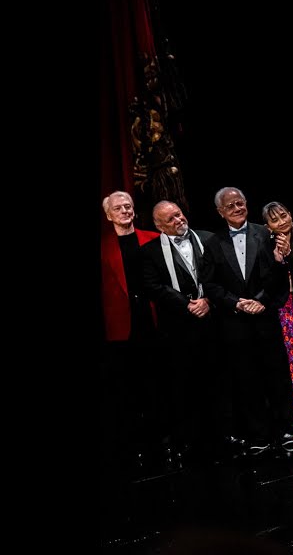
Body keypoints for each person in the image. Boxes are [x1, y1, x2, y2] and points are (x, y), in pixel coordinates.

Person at [202, 187, 292, 454]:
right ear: (220, 212)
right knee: (246, 378)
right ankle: (259, 435)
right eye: (231, 206)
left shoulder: (265, 234)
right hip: (235, 322)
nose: (238, 208)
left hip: (264, 316)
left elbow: (276, 276)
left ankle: (286, 430)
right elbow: (209, 283)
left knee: (276, 375)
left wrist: (260, 300)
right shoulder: (213, 243)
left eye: (240, 203)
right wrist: (237, 302)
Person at [137, 200, 220, 457]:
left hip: (213, 319)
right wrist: (188, 305)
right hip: (178, 327)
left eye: (179, 214)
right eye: (171, 219)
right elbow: (153, 287)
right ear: (159, 226)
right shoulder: (150, 251)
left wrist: (208, 301)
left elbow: (221, 275)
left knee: (218, 378)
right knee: (184, 382)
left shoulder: (208, 239)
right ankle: (189, 439)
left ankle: (222, 434)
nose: (178, 220)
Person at [101, 191, 162, 459]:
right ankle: (136, 444)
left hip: (153, 320)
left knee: (157, 381)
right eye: (118, 208)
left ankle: (163, 439)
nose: (125, 210)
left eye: (128, 206)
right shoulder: (103, 247)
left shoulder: (154, 239)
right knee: (128, 386)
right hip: (121, 326)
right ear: (108, 215)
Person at [262, 201, 293, 447]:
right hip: (285, 311)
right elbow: (268, 284)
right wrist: (278, 260)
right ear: (267, 226)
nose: (281, 222)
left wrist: (291, 256)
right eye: (275, 220)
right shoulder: (266, 246)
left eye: (283, 215)